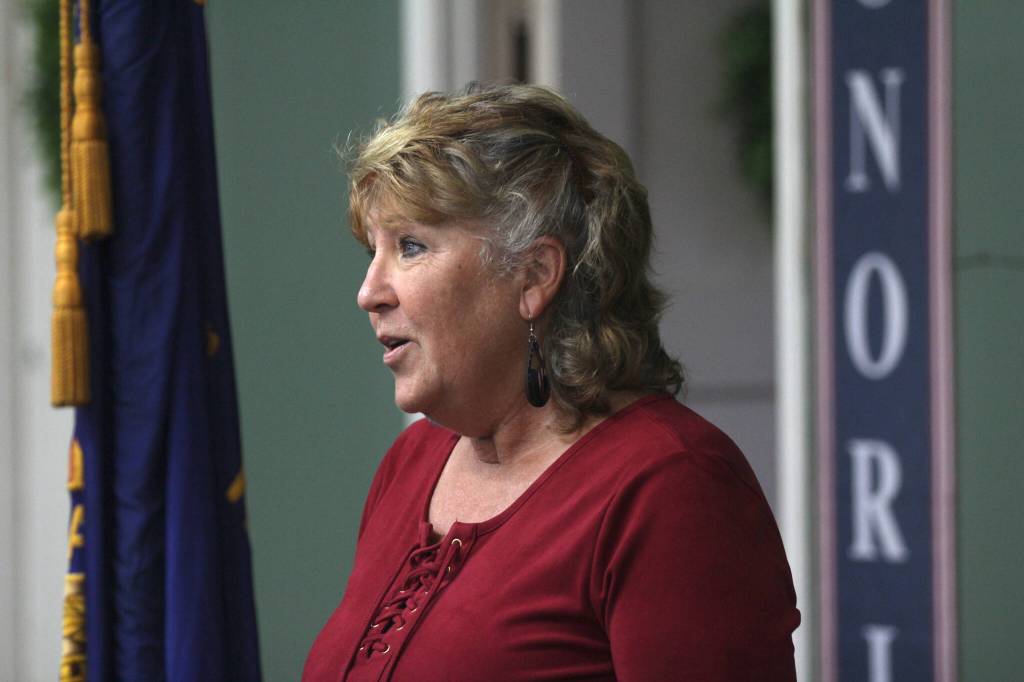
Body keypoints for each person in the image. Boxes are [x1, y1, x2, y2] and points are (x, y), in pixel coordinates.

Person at [303, 83, 799, 682]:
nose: (369, 293)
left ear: (534, 275)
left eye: (410, 246)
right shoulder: (409, 465)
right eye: (371, 251)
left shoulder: (671, 486)